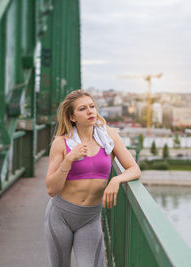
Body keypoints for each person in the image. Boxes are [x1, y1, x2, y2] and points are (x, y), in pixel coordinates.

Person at [44, 89, 141, 267]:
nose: (90, 111)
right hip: (60, 216)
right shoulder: (61, 143)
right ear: (72, 117)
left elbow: (134, 169)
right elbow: (51, 189)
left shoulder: (109, 137)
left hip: (90, 217)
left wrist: (115, 180)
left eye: (92, 106)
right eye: (82, 109)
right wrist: (68, 159)